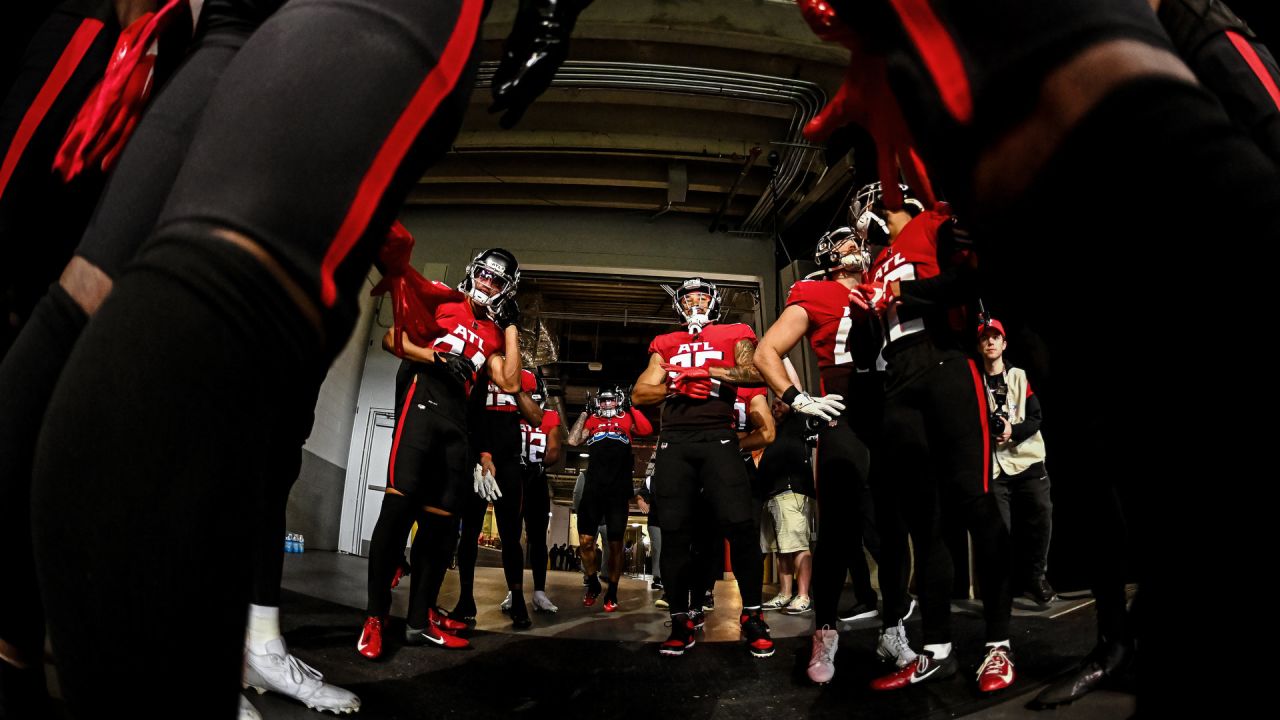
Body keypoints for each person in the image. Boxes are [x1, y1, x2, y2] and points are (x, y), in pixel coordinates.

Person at [846, 181, 1014, 694]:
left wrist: (900, 292)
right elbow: (861, 352)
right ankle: (936, 645)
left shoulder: (934, 227)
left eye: (875, 205)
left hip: (945, 362)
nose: (870, 216)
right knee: (926, 521)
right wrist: (862, 313)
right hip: (898, 379)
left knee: (975, 502)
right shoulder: (875, 266)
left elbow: (970, 284)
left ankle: (998, 645)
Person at [753, 226, 913, 685]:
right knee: (839, 531)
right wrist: (797, 397)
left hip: (889, 418)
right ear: (826, 254)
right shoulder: (816, 293)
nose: (855, 247)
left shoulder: (882, 285)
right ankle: (825, 631)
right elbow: (766, 351)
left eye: (857, 241)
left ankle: (893, 628)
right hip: (843, 416)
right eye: (843, 242)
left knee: (894, 528)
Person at [358, 247, 523, 659]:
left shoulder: (492, 332)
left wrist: (513, 327)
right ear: (473, 272)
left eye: (496, 281)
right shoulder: (443, 299)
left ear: (506, 290)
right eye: (483, 274)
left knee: (439, 532)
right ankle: (375, 618)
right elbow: (391, 338)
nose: (486, 283)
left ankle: (418, 622)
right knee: (396, 516)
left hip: (458, 425)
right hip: (422, 406)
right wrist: (435, 356)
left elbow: (512, 382)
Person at [632, 277, 773, 658]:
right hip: (675, 442)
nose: (696, 302)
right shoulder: (665, 344)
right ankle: (681, 621)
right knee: (675, 534)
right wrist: (674, 388)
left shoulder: (735, 332)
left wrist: (709, 372)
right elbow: (641, 392)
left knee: (741, 527)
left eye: (702, 296)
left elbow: (756, 372)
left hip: (719, 437)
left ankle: (753, 616)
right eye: (689, 297)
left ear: (714, 302)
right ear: (679, 304)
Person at [455, 363, 543, 629]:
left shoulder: (522, 376)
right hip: (477, 455)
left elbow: (537, 418)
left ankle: (517, 598)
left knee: (510, 534)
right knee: (469, 531)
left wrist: (515, 389)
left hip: (508, 460)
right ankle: (465, 598)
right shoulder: (477, 370)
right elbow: (468, 412)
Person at [977, 318, 1055, 605]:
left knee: (1041, 517)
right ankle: (1003, 588)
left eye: (995, 337)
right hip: (996, 466)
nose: (991, 341)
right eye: (985, 338)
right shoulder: (974, 381)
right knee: (998, 532)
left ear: (1004, 343)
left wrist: (1013, 430)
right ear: (980, 345)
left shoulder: (1019, 376)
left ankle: (1036, 576)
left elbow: (1036, 418)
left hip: (1028, 459)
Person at [567, 385, 652, 611]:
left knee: (615, 545)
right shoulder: (592, 421)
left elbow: (645, 429)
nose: (606, 405)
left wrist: (631, 407)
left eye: (610, 400)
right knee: (585, 541)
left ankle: (612, 592)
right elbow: (573, 441)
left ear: (618, 401)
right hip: (593, 488)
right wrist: (585, 412)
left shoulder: (626, 420)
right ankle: (593, 583)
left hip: (618, 490)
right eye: (602, 401)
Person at [757, 398, 816, 617]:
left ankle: (802, 595)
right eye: (773, 406)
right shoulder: (776, 431)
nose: (775, 408)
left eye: (780, 403)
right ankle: (785, 593)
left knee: (798, 546)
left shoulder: (797, 422)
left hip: (792, 491)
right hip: (773, 494)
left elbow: (794, 388)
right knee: (783, 549)